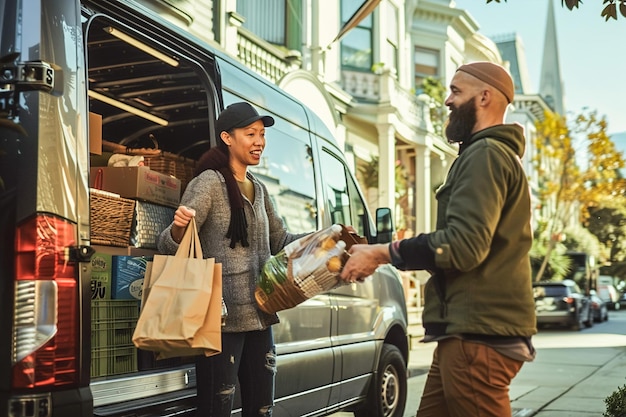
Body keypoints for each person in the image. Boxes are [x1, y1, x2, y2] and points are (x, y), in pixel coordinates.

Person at [340, 61, 537, 417]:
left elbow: (463, 245)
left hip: (477, 336)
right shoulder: (487, 155)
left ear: (485, 97)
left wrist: (382, 252)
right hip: (465, 333)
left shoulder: (486, 155)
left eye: (456, 91)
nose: (447, 100)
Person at [157, 102, 305, 417]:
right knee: (217, 407)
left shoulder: (261, 190)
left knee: (262, 408)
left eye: (262, 135)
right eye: (250, 134)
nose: (259, 142)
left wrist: (324, 240)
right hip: (219, 320)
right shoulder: (209, 183)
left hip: (262, 313)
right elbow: (170, 246)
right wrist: (180, 228)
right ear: (227, 137)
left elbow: (281, 241)